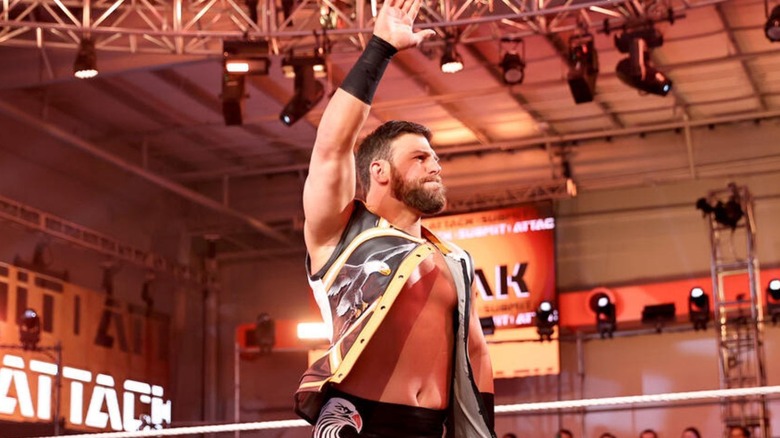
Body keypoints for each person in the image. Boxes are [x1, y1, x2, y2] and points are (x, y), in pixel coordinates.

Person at [292, 0, 495, 436]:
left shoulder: (455, 260)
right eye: (421, 157)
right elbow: (330, 146)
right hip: (357, 420)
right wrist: (380, 48)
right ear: (378, 172)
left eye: (436, 158)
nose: (435, 166)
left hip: (430, 425)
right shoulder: (342, 234)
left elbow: (475, 352)